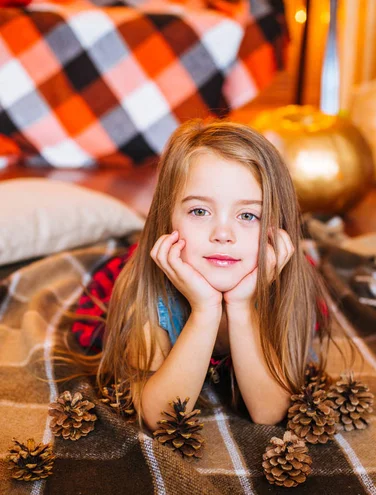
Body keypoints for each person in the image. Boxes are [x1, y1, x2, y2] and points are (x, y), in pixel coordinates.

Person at [68, 119, 335, 432]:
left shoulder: (287, 293)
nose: (223, 234)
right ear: (166, 220)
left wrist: (241, 306)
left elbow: (268, 412)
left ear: (278, 229)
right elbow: (160, 416)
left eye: (248, 215)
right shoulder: (150, 297)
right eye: (199, 211)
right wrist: (205, 310)